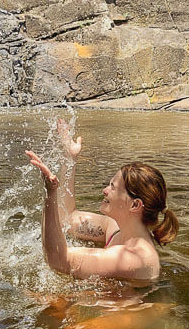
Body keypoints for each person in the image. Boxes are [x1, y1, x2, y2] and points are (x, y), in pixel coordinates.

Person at [25, 119, 179, 283]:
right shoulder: (115, 230)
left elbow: (58, 260)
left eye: (112, 187)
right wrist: (69, 159)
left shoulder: (135, 258)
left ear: (135, 205)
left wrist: (50, 193)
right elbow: (68, 219)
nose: (104, 191)